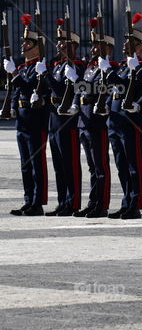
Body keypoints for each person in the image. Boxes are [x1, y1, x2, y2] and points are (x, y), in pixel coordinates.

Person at [105, 11, 142, 219]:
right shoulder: (125, 66)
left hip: (130, 120)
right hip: (115, 120)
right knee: (121, 165)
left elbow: (140, 89)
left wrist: (112, 75)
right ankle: (126, 200)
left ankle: (135, 202)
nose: (124, 46)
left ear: (139, 46)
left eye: (129, 42)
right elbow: (117, 90)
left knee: (134, 163)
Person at [5, 13, 49, 216]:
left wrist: (14, 75)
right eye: (23, 43)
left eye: (27, 43)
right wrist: (12, 106)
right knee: (25, 164)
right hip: (22, 119)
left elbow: (31, 88)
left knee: (36, 163)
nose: (23, 46)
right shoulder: (23, 67)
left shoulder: (39, 68)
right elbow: (16, 91)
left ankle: (37, 202)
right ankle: (28, 199)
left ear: (36, 47)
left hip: (35, 119)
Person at [76, 18, 114, 219]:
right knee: (92, 167)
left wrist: (85, 91)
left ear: (107, 48)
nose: (92, 49)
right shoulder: (90, 68)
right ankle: (92, 202)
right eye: (92, 45)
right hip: (85, 121)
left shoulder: (108, 68)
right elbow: (80, 89)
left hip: (97, 123)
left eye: (96, 45)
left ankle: (102, 204)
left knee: (101, 167)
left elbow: (105, 90)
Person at [46, 15, 84, 216]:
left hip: (67, 121)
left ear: (73, 46)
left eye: (62, 42)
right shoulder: (59, 66)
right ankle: (63, 201)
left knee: (70, 163)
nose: (58, 45)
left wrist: (47, 76)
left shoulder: (75, 66)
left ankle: (73, 202)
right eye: (59, 41)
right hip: (54, 119)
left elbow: (62, 91)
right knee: (59, 165)